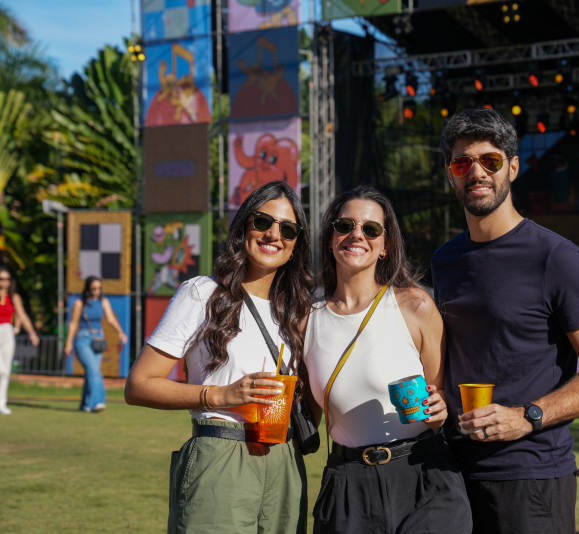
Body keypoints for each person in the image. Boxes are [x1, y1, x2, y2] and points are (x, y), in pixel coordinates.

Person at [432, 107, 579, 533]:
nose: (477, 172)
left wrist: (528, 415)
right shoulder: (445, 260)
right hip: (451, 474)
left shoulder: (556, 257)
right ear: (451, 174)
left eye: (491, 160)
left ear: (513, 168)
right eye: (463, 162)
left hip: (530, 475)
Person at [124, 181, 313, 534]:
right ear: (243, 227)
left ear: (295, 246)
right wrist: (220, 395)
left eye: (287, 229)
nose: (274, 234)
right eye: (262, 222)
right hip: (221, 453)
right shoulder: (202, 292)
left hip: (286, 459)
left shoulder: (297, 310)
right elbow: (138, 385)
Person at [304, 186, 472, 534]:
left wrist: (440, 407)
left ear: (386, 246)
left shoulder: (415, 305)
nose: (356, 235)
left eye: (371, 229)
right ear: (330, 238)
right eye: (344, 224)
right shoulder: (306, 320)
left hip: (424, 475)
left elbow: (439, 393)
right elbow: (307, 412)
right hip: (348, 483)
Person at [64, 275, 128, 413]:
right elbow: (73, 323)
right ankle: (98, 402)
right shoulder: (79, 303)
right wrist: (68, 342)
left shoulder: (103, 301)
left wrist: (120, 332)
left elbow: (110, 319)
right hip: (83, 339)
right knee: (94, 370)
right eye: (93, 288)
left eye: (99, 288)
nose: (96, 291)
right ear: (88, 288)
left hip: (98, 339)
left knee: (91, 372)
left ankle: (85, 404)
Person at [0, 266, 39, 415]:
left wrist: (31, 333)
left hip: (7, 331)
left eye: (7, 279)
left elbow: (21, 315)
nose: (4, 282)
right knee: (0, 369)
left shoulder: (14, 297)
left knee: (6, 371)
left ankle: (2, 402)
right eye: (1, 279)